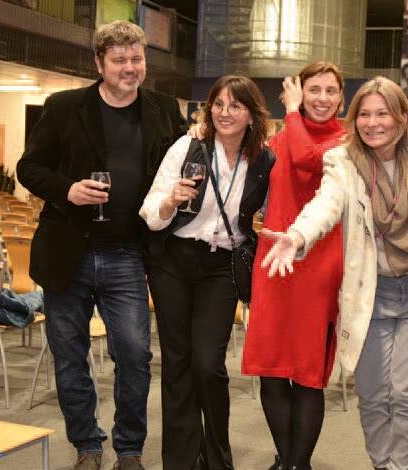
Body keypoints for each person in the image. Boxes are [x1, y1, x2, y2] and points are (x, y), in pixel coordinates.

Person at [16, 20, 185, 470]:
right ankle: (87, 445)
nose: (130, 67)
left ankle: (129, 449)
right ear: (99, 63)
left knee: (134, 355)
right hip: (68, 251)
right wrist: (67, 190)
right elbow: (28, 168)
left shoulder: (165, 109)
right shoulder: (64, 106)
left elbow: (181, 168)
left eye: (137, 59)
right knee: (69, 356)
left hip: (128, 254)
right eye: (119, 60)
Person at [261, 76, 408, 470]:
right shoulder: (343, 160)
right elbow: (325, 204)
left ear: (401, 116)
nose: (373, 123)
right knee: (374, 395)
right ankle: (382, 464)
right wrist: (297, 236)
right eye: (364, 115)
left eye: (383, 113)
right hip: (370, 294)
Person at [139, 75, 273, 470]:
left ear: (252, 115)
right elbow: (150, 211)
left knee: (208, 364)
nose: (225, 113)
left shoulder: (263, 160)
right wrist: (170, 201)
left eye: (236, 106)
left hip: (221, 267)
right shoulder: (188, 147)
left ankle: (216, 457)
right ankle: (181, 460)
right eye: (218, 104)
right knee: (177, 363)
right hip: (173, 262)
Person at [239, 61, 346, 470]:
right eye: (313, 90)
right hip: (273, 266)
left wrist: (292, 111)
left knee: (307, 376)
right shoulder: (278, 140)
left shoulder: (346, 142)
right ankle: (288, 461)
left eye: (330, 91)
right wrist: (204, 135)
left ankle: (298, 464)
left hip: (319, 270)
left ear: (342, 98)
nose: (322, 98)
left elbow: (306, 159)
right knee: (271, 370)